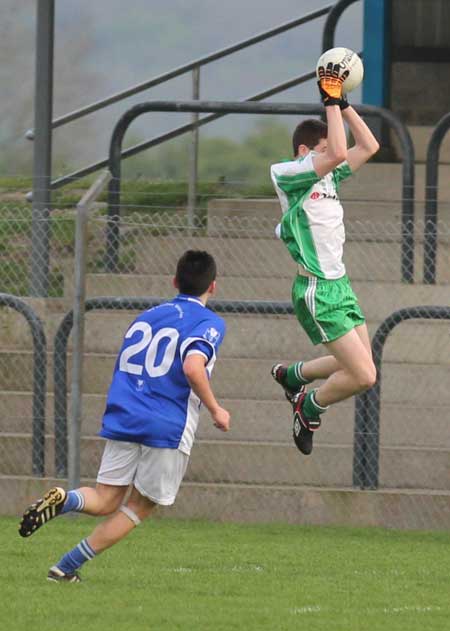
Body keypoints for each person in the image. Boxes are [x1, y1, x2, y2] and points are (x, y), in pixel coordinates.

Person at [19, 250, 230, 582]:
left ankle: (65, 500)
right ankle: (65, 567)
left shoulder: (147, 315)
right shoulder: (209, 322)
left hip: (126, 412)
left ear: (174, 282)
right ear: (213, 287)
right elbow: (192, 366)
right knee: (138, 507)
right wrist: (216, 409)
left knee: (105, 498)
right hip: (166, 423)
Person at [270, 61, 379, 456]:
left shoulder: (327, 175)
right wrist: (328, 100)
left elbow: (369, 146)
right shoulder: (289, 173)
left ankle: (293, 375)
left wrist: (344, 103)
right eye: (320, 151)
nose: (331, 157)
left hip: (341, 284)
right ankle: (309, 405)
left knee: (357, 363)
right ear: (304, 152)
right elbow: (335, 151)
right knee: (364, 375)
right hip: (316, 288)